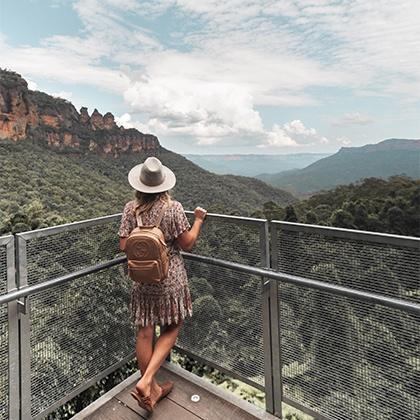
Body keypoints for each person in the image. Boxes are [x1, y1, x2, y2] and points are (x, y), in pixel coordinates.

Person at [118, 156, 207, 412]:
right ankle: (147, 382)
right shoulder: (174, 208)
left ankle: (153, 389)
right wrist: (199, 219)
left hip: (141, 279)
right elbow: (187, 243)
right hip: (170, 279)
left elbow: (124, 246)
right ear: (164, 185)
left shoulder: (130, 209)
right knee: (173, 325)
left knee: (145, 332)